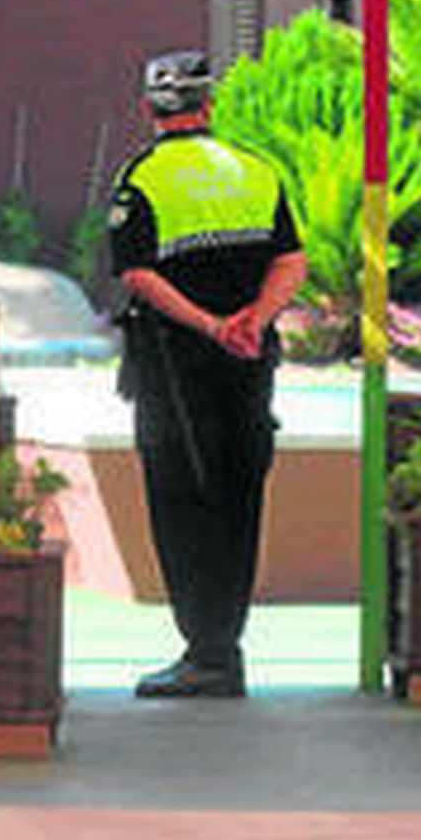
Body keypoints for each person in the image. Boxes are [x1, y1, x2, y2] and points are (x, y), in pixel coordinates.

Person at [107, 51, 306, 699]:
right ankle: (226, 646)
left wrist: (209, 323)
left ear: (150, 110)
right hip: (250, 365)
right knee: (239, 495)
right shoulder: (255, 169)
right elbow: (291, 260)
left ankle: (206, 651)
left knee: (181, 501)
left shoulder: (142, 178)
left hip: (176, 365)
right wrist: (253, 319)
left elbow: (138, 273)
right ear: (208, 106)